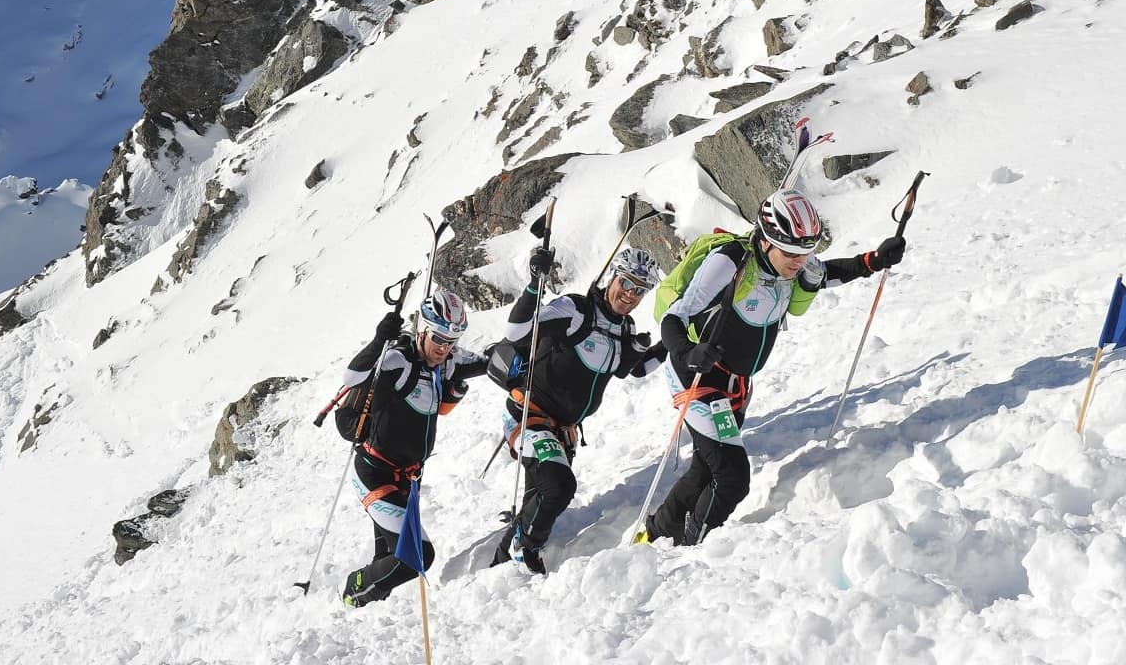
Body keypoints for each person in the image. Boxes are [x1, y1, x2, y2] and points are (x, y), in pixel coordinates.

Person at [638, 188, 906, 546]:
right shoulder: (729, 262)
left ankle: (656, 532)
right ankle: (692, 549)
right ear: (766, 241)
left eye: (805, 251)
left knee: (707, 466)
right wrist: (687, 351)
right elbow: (675, 315)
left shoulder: (794, 263)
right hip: (698, 376)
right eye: (791, 252)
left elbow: (824, 274)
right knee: (732, 476)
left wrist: (872, 260)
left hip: (735, 384)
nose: (798, 261)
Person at [489, 248, 669, 574]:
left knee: (540, 501)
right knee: (558, 488)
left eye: (640, 290)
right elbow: (517, 333)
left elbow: (636, 370)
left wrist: (669, 343)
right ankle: (523, 551)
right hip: (529, 416)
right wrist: (533, 284)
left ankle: (499, 571)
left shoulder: (624, 330)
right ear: (611, 276)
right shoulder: (575, 310)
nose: (630, 294)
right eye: (626, 282)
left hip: (564, 433)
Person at [341, 289, 486, 607]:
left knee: (391, 555)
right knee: (416, 556)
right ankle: (356, 588)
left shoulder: (447, 362)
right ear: (423, 329)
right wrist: (380, 340)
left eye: (451, 342)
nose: (444, 349)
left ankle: (370, 610)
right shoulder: (397, 359)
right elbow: (352, 376)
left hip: (407, 479)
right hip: (374, 473)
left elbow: (490, 360)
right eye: (438, 339)